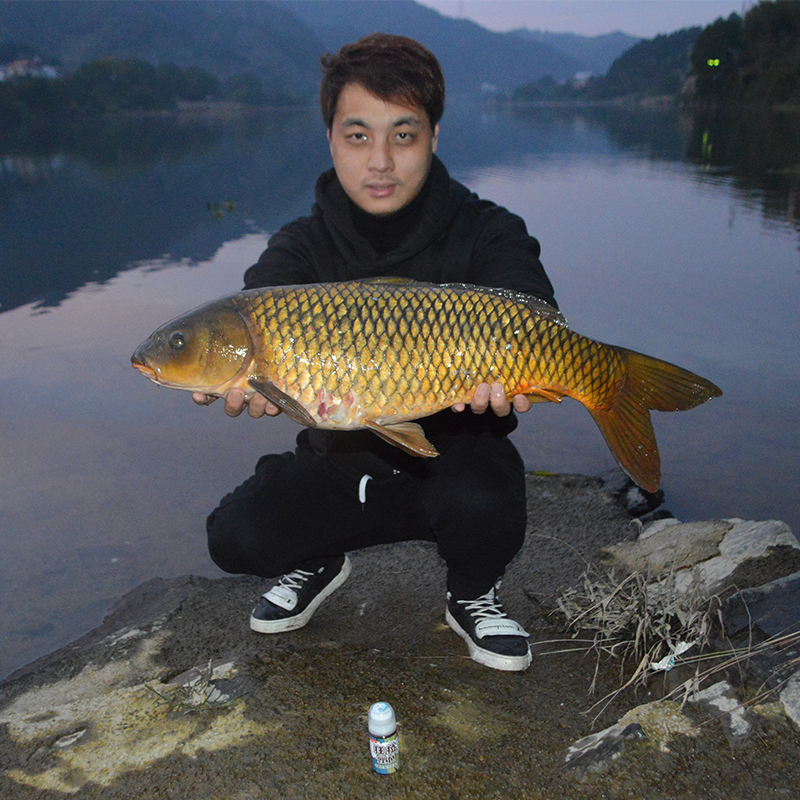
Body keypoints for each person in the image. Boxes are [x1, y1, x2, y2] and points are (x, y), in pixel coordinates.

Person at [195, 33, 557, 672]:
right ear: (330, 138)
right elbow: (252, 308)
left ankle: (471, 593)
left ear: (435, 137)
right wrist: (244, 379)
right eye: (358, 136)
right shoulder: (299, 250)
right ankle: (316, 558)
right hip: (341, 465)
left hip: (454, 458)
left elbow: (532, 311)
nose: (381, 161)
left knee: (486, 499)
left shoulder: (488, 231)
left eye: (404, 135)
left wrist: (522, 371)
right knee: (235, 535)